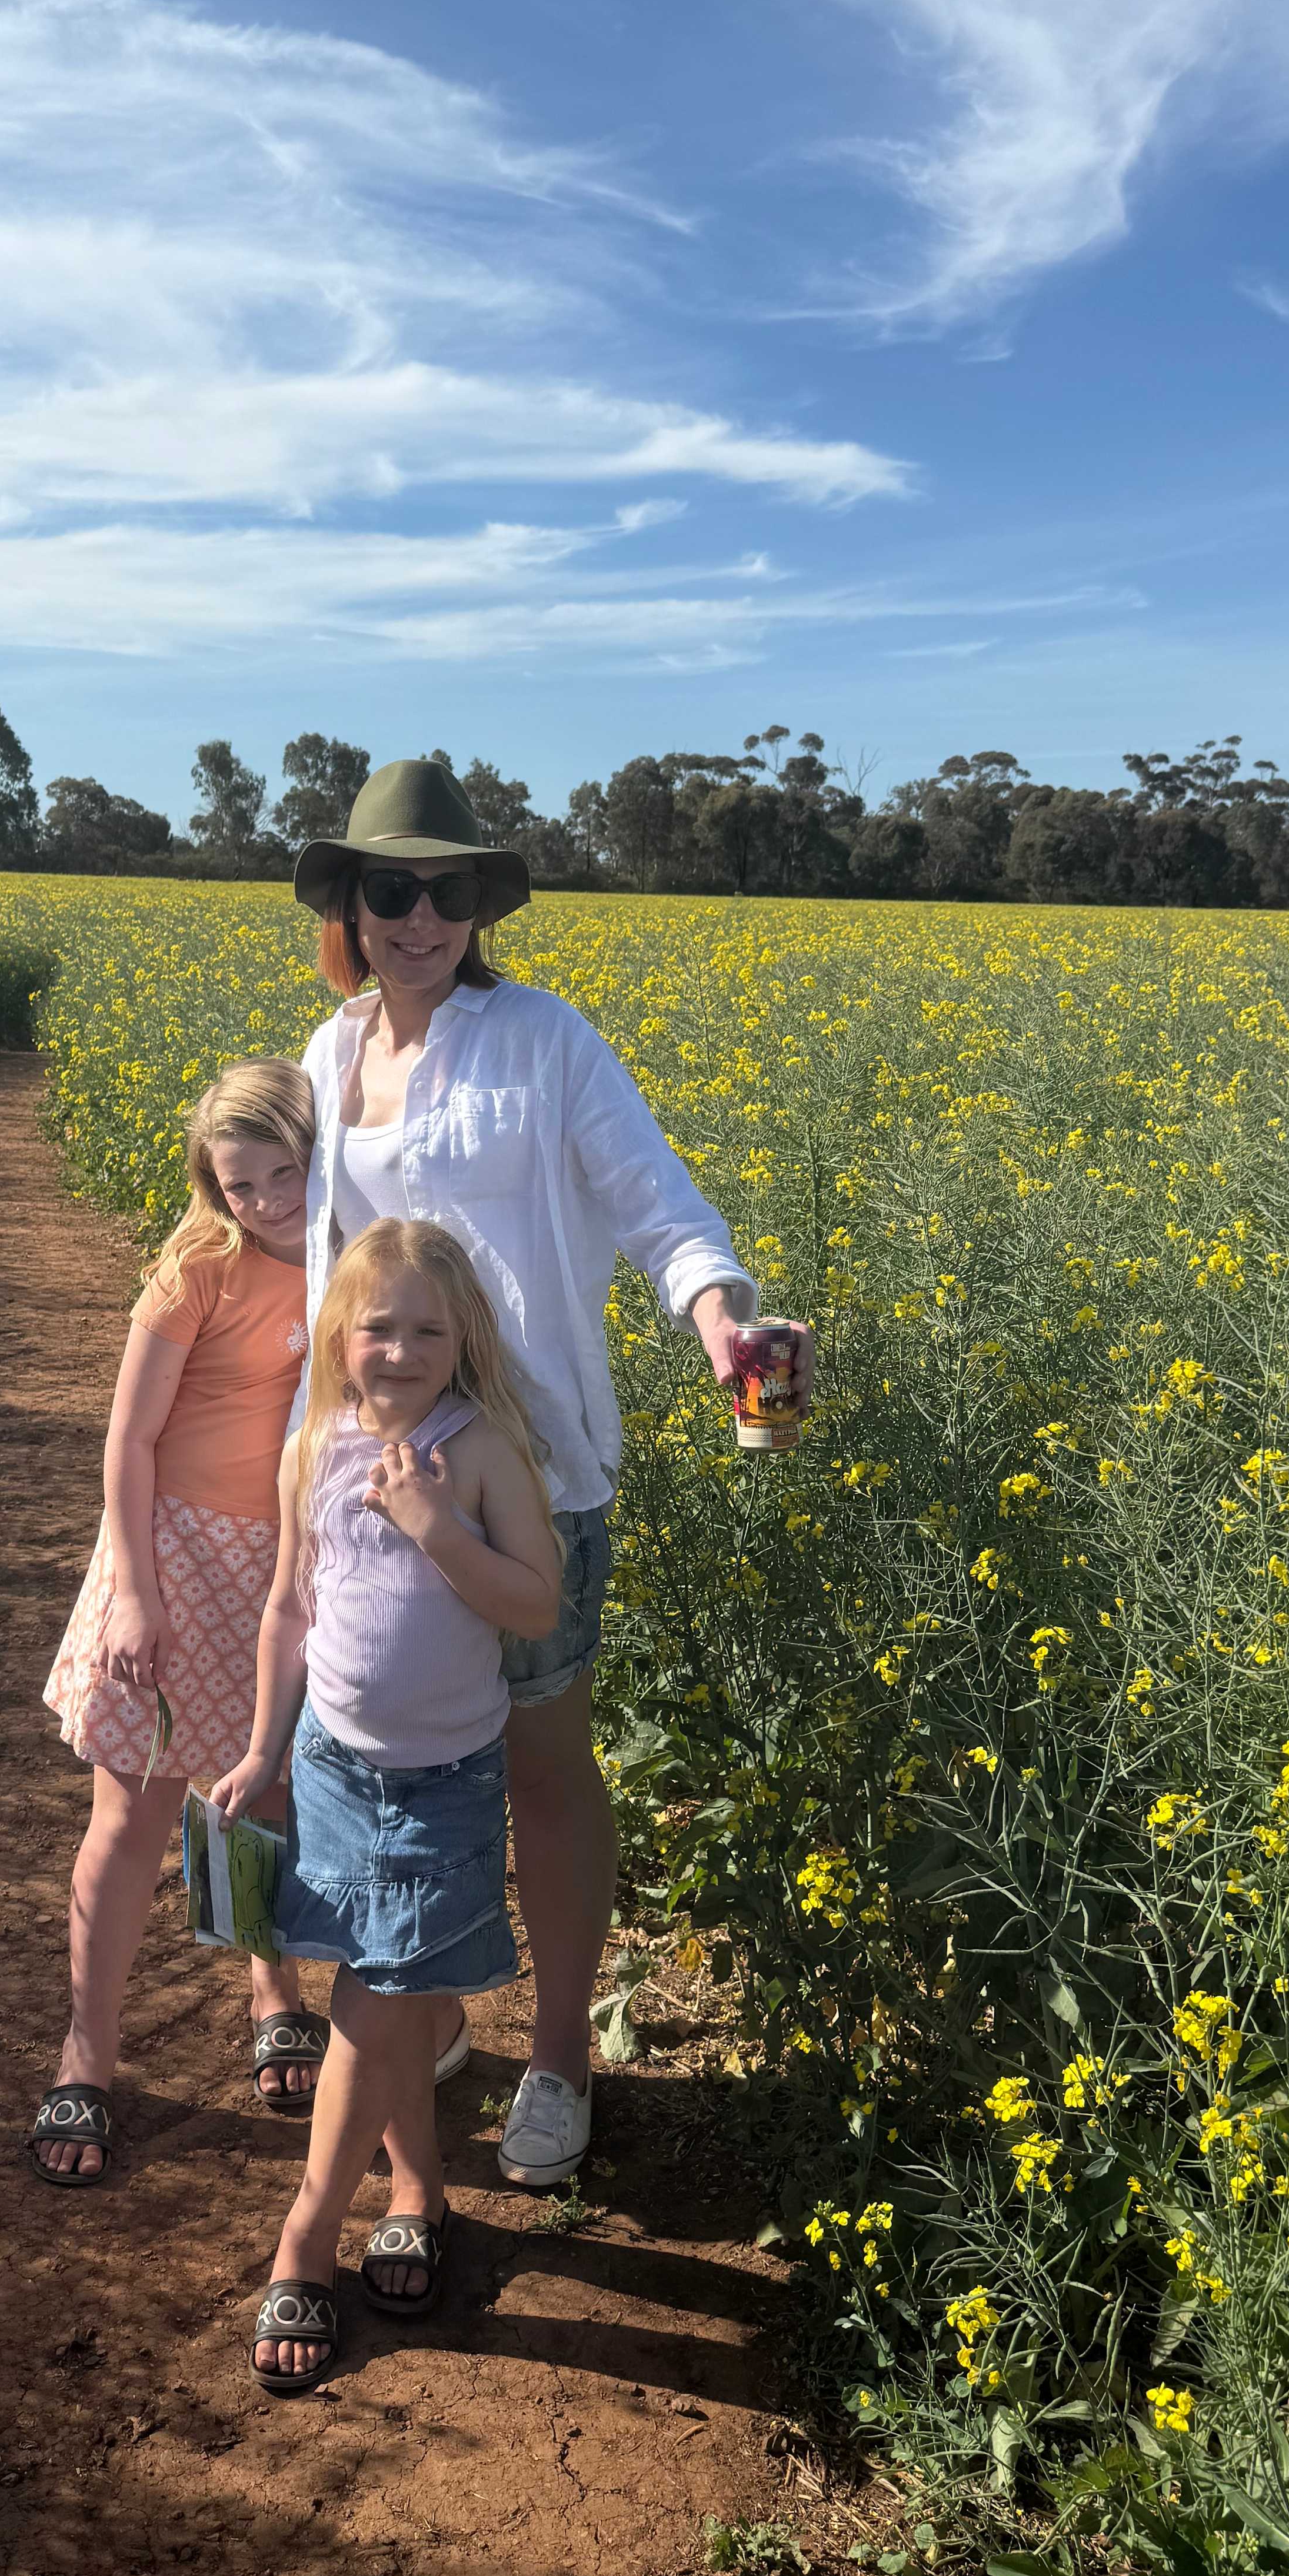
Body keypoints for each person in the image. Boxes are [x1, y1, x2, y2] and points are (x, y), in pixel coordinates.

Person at [288, 759, 815, 2191]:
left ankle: (564, 2055)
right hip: (376, 1490)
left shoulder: (545, 1043)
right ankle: (434, 2001)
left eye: (445, 892)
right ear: (350, 902)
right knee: (407, 1755)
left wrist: (719, 1315)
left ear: (477, 905)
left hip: (532, 1482)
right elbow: (308, 1268)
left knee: (538, 1761)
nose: (418, 918)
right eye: (390, 890)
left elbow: (655, 1199)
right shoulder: (327, 1061)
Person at [213, 1219, 564, 2392]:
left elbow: (532, 1606)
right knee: (392, 1995)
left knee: (382, 1994)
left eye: (427, 1327)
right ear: (340, 1337)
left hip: (440, 1785)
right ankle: (418, 2190)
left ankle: (305, 2239)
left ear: (464, 1336)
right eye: (379, 1327)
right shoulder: (315, 1444)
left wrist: (435, 1528)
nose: (402, 1350)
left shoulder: (480, 1452)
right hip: (330, 1761)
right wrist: (264, 1747)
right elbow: (287, 1612)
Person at [28, 1057, 326, 2183]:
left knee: (259, 1796)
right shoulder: (199, 1264)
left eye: (282, 1175)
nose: (262, 1204)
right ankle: (86, 2058)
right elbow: (130, 1440)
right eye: (238, 1184)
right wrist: (138, 1593)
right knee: (133, 1820)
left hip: (286, 1564)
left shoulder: (351, 1245)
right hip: (171, 1557)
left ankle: (273, 1989)